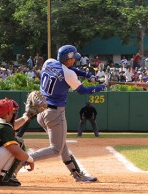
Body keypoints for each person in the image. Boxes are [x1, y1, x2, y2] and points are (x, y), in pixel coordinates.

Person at [30, 45, 106, 182]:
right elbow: (83, 91)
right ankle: (25, 159)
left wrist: (88, 75)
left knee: (62, 145)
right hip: (55, 114)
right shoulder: (69, 74)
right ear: (68, 59)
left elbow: (69, 70)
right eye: (73, 59)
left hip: (41, 112)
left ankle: (77, 175)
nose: (74, 61)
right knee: (56, 149)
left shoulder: (49, 62)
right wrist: (99, 87)